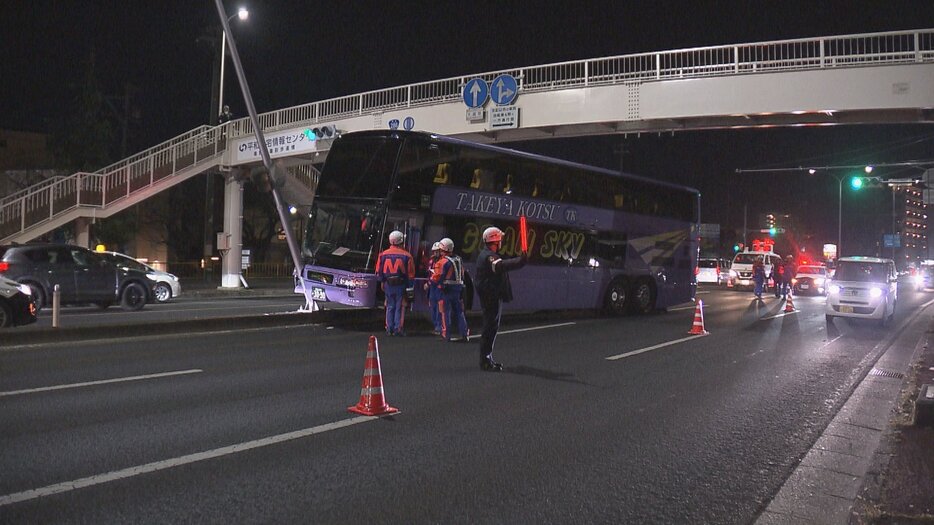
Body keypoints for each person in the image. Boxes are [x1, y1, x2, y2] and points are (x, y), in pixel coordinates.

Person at [475, 226, 527, 371]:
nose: (501, 242)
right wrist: (520, 261)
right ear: (495, 240)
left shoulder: (486, 254)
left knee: (491, 327)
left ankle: (488, 358)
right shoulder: (489, 256)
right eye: (500, 239)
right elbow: (500, 266)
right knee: (490, 328)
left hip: (491, 295)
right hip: (491, 297)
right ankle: (485, 361)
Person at [375, 230, 415, 336]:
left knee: (389, 306)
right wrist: (410, 286)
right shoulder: (407, 255)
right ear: (401, 241)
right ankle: (398, 328)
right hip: (401, 284)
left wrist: (382, 282)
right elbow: (410, 274)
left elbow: (379, 271)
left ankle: (389, 328)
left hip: (388, 284)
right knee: (400, 307)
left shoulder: (383, 254)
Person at [432, 237, 469, 342]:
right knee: (460, 312)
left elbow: (437, 277)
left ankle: (446, 334)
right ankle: (464, 333)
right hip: (458, 289)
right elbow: (462, 274)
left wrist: (432, 280)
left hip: (445, 290)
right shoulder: (459, 259)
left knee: (444, 312)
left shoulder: (442, 262)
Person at [425, 242, 444, 335]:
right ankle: (436, 325)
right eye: (435, 251)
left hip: (439, 286)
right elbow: (429, 273)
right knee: (433, 306)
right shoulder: (431, 261)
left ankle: (439, 327)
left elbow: (438, 275)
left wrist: (428, 283)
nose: (436, 253)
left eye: (438, 251)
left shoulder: (443, 261)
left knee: (439, 307)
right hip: (433, 286)